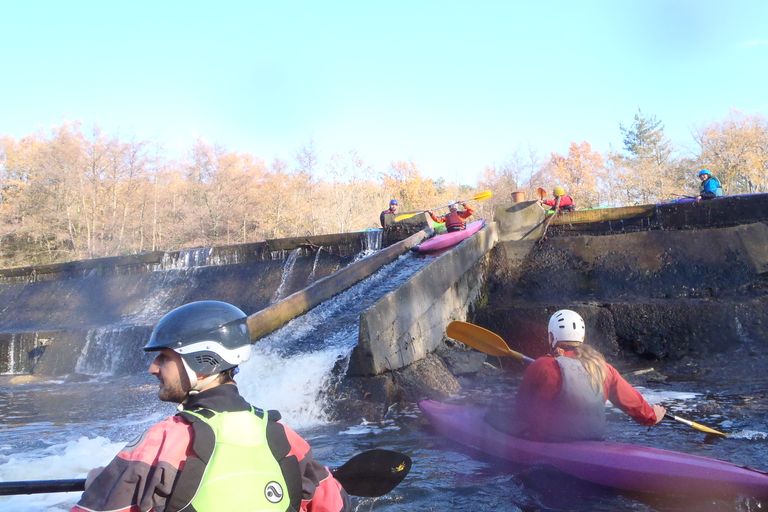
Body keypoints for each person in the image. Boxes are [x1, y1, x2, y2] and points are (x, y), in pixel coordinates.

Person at [72, 300, 350, 512]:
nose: (152, 368)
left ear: (202, 365)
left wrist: (98, 487)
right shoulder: (287, 439)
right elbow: (336, 504)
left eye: (164, 358)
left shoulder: (162, 443)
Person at [502, 309, 666, 441]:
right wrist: (652, 416)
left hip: (548, 439)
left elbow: (521, 408)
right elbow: (633, 403)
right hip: (592, 438)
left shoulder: (542, 365)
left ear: (551, 337)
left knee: (494, 416)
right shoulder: (603, 369)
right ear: (581, 337)